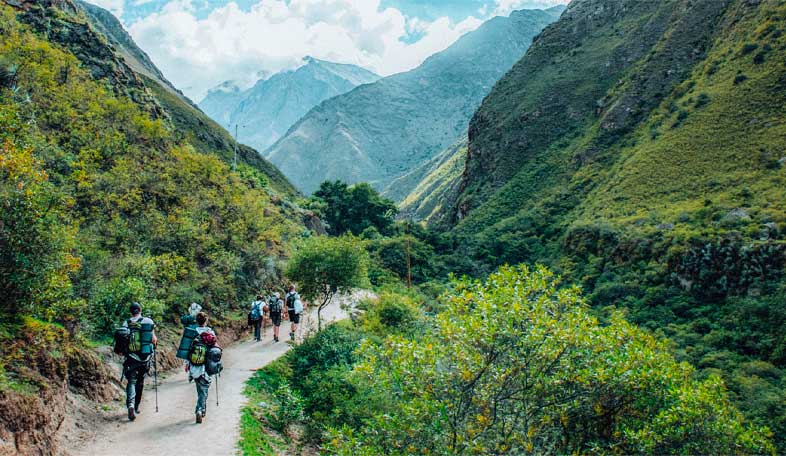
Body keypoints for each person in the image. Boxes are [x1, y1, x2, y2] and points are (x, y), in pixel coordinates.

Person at [122, 302, 157, 422]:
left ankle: (130, 405)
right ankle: (136, 406)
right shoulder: (148, 321)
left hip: (132, 357)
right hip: (144, 358)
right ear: (140, 310)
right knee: (140, 381)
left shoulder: (126, 323)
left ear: (131, 311)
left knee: (131, 381)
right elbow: (154, 339)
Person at [188, 311, 217, 423]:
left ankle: (202, 409)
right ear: (206, 321)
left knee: (200, 387)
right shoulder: (210, 332)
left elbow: (187, 350)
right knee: (204, 388)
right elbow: (215, 350)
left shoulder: (192, 332)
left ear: (197, 321)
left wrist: (188, 364)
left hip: (194, 365)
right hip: (206, 366)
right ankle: (200, 409)